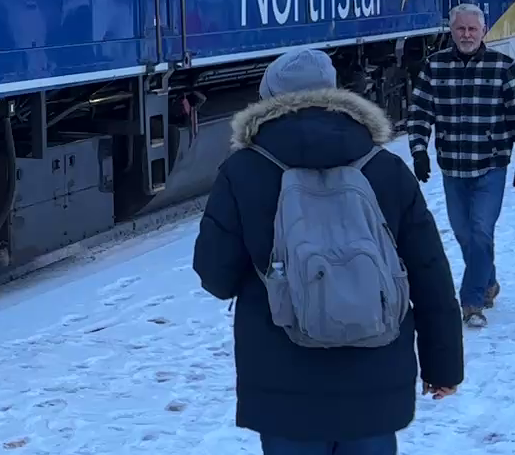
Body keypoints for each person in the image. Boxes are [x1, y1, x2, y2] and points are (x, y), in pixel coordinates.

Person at [194, 47, 464, 454]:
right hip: (375, 378)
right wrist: (443, 366)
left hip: (284, 385)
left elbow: (215, 275)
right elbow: (430, 275)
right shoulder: (385, 166)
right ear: (337, 93)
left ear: (269, 100)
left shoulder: (244, 170)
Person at [406, 4, 515, 329]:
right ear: (452, 31)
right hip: (453, 166)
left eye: (472, 30)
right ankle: (489, 281)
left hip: (491, 164)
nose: (466, 35)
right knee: (465, 234)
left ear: (483, 31)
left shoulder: (502, 66)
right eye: (460, 29)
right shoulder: (435, 66)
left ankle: (471, 301)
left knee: (481, 232)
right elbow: (420, 111)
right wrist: (419, 150)